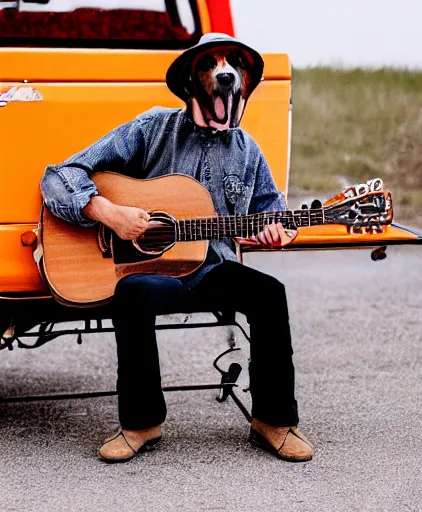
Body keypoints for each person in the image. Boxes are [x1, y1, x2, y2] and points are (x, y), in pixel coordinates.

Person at [40, 33, 313, 463]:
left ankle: (273, 420)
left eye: (233, 65)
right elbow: (57, 177)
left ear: (244, 81)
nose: (224, 73)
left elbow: (271, 213)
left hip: (212, 270)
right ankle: (141, 423)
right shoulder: (152, 128)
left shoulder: (248, 150)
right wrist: (109, 213)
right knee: (133, 293)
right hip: (149, 274)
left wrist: (278, 232)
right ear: (191, 80)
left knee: (269, 292)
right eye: (211, 64)